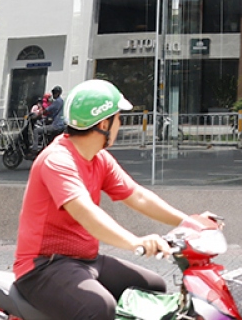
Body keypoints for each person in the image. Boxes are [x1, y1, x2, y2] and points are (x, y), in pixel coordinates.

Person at [13, 79, 219, 320]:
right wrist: (135, 242)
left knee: (153, 287)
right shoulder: (58, 160)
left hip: (86, 261)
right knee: (99, 308)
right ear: (104, 124)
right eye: (118, 118)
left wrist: (190, 223)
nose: (120, 125)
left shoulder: (98, 158)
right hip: (44, 267)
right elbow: (85, 212)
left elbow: (138, 196)